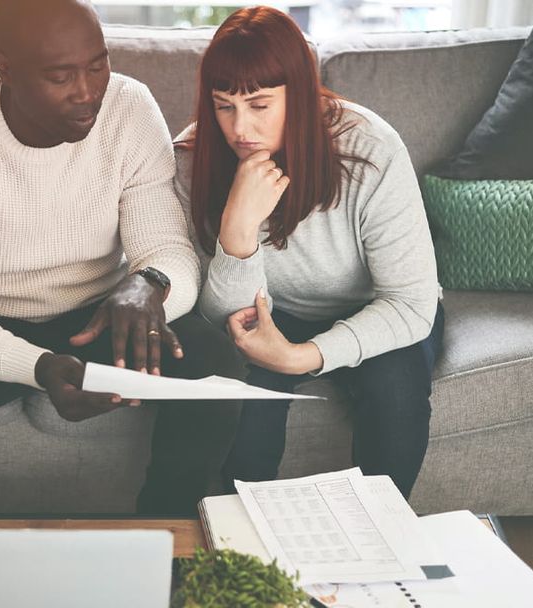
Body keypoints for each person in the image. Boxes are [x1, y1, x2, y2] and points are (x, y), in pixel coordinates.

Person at [0, 0, 244, 516]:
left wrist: (150, 281)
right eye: (61, 76)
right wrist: (35, 367)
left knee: (214, 366)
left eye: (97, 65)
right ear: (4, 67)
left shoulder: (129, 107)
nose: (87, 92)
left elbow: (169, 250)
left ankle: (164, 538)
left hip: (100, 316)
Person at [175, 6, 444, 499]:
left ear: (298, 98)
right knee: (246, 403)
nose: (239, 129)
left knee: (397, 393)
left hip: (372, 307)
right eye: (224, 105)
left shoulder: (372, 150)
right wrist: (238, 228)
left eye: (259, 105)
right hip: (268, 313)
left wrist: (304, 357)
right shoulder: (192, 158)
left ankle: (375, 540)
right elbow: (217, 316)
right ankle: (246, 548)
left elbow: (411, 303)